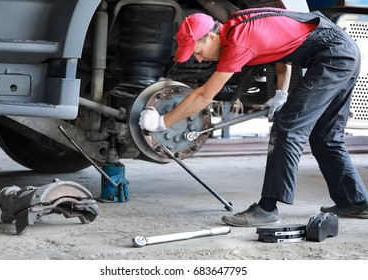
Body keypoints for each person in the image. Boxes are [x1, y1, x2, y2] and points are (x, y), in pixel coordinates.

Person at [139, 8, 368, 227]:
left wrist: (162, 121)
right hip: (343, 50)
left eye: (197, 52)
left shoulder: (237, 42)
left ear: (209, 37)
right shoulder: (235, 24)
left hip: (332, 56)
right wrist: (281, 92)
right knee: (325, 136)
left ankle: (267, 209)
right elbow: (280, 46)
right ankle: (356, 202)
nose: (198, 60)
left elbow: (203, 96)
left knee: (287, 128)